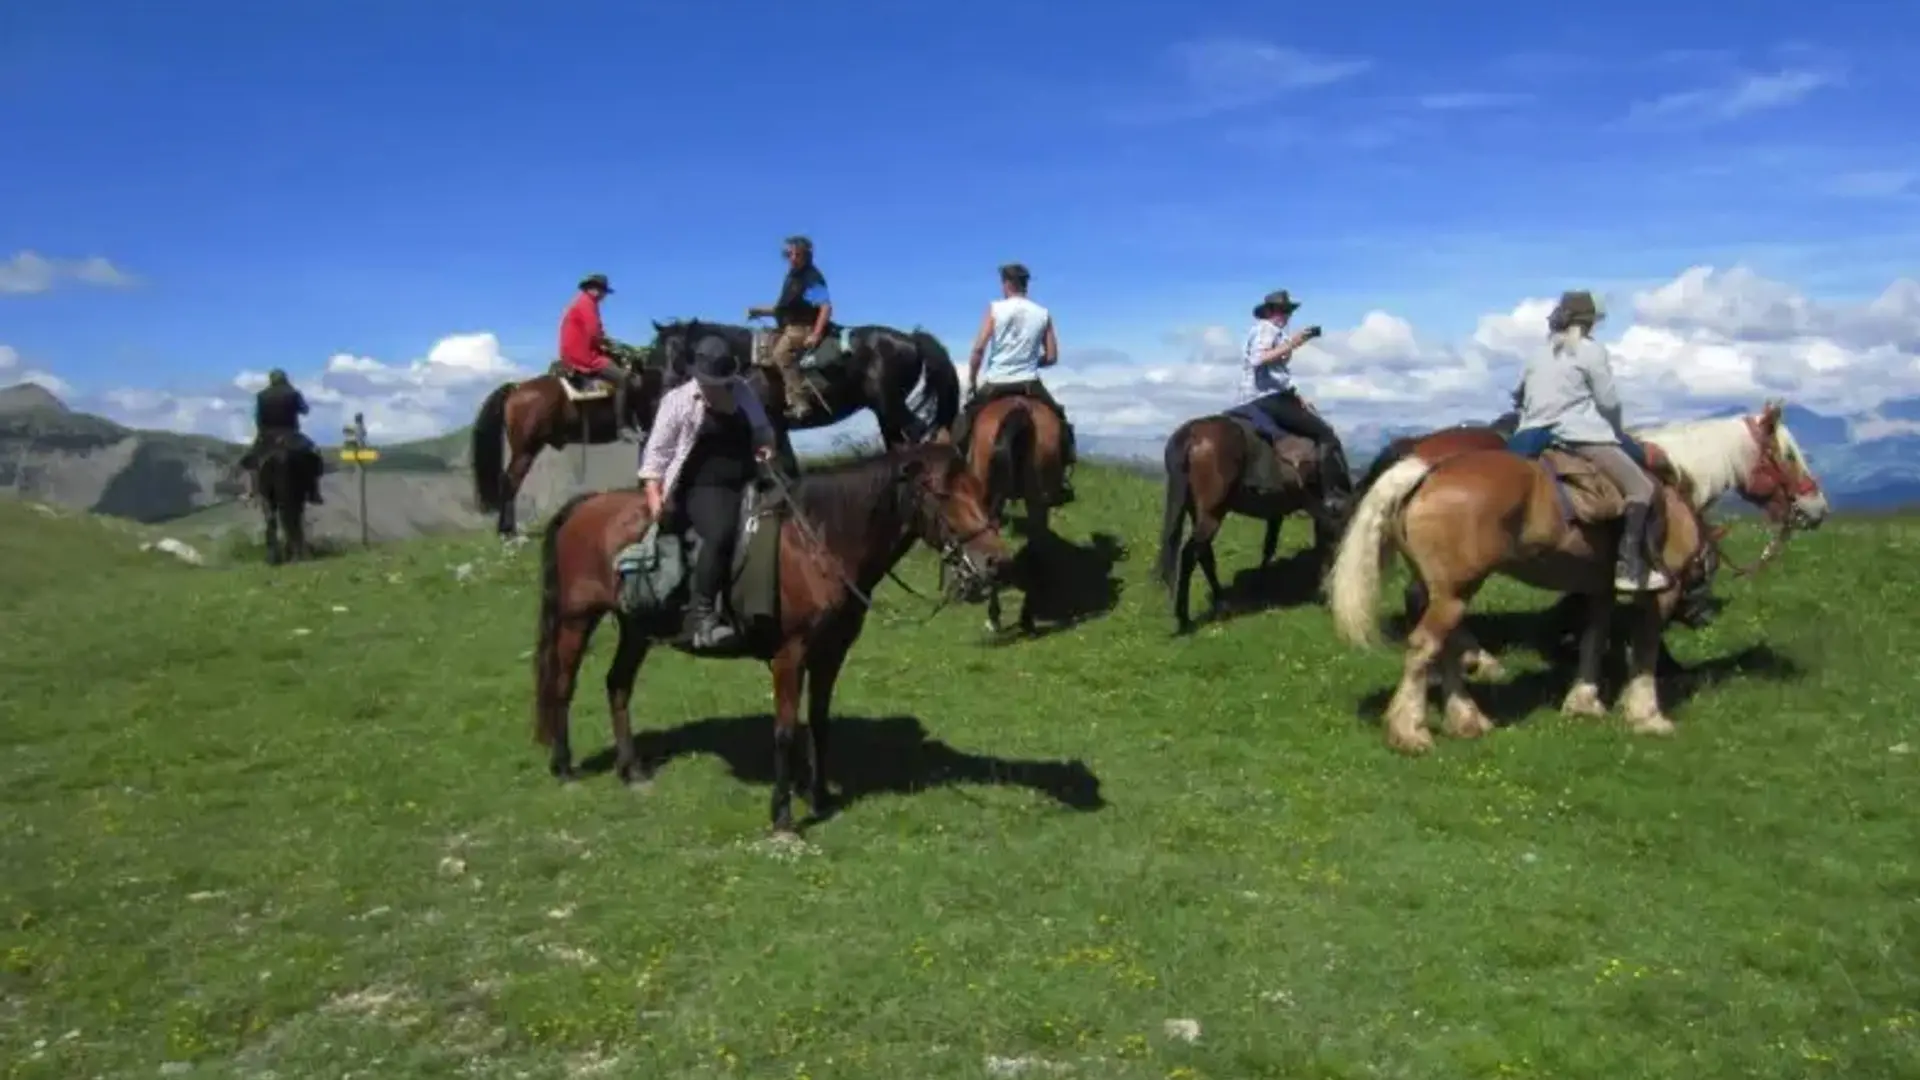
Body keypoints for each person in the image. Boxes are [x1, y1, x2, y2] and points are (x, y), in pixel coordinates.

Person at [1511, 289, 1670, 592]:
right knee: (1642, 487)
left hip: (1528, 435)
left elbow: (1520, 396)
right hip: (1577, 434)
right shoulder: (1590, 351)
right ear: (1589, 322)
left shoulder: (1537, 354)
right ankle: (1628, 566)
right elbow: (1608, 402)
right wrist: (1616, 432)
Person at [638, 335, 779, 650]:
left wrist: (766, 449)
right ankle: (702, 617)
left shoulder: (743, 392)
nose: (715, 386)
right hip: (703, 485)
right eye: (709, 380)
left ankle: (764, 607)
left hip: (748, 479)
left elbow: (762, 431)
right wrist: (654, 495)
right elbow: (656, 454)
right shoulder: (678, 401)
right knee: (721, 534)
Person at [958, 262, 1078, 500]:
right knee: (1060, 421)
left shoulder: (995, 309)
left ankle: (958, 476)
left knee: (963, 425)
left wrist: (972, 379)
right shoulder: (1042, 313)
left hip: (996, 382)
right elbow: (1052, 356)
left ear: (1006, 284)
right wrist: (1033, 362)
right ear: (1025, 284)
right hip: (1029, 383)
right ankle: (1059, 480)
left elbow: (979, 349)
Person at [1238, 288, 1353, 526]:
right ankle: (1333, 495)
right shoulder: (1266, 329)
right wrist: (1294, 343)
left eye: (1287, 311)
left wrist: (1297, 395)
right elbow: (1259, 359)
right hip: (1268, 398)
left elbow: (1276, 373)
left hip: (1271, 394)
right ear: (1269, 311)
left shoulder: (1270, 331)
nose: (1284, 315)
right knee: (1326, 435)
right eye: (1280, 310)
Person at [746, 235, 832, 415]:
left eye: (796, 254)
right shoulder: (792, 278)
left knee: (780, 353)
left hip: (803, 328)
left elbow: (825, 307)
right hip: (789, 326)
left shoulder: (811, 278)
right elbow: (784, 309)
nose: (792, 258)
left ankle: (799, 402)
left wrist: (815, 334)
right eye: (789, 254)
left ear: (805, 256)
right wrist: (758, 311)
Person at [558, 272, 636, 441]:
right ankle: (621, 427)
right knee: (622, 378)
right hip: (583, 355)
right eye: (600, 290)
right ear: (592, 289)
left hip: (571, 353)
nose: (602, 295)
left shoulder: (578, 302)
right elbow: (594, 333)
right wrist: (609, 345)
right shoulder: (588, 304)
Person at [241, 368, 323, 505]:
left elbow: (258, 418)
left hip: (266, 435)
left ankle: (252, 490)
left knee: (250, 460)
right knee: (315, 455)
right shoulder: (293, 393)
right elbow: (305, 410)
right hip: (291, 434)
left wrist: (262, 434)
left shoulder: (262, 395)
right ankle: (313, 492)